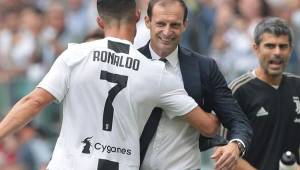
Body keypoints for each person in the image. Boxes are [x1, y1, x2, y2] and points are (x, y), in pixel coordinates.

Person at [0, 0, 220, 170]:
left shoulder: (75, 56)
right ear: (137, 16)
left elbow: (34, 101)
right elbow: (209, 127)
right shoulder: (155, 72)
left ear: (99, 22)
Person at [139, 0, 253, 170]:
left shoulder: (204, 67)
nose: (167, 31)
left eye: (175, 25)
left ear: (185, 25)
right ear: (147, 22)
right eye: (161, 24)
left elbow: (237, 120)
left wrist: (235, 145)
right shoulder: (132, 62)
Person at [229, 17, 300, 170]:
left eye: (283, 46)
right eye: (270, 46)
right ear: (256, 48)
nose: (277, 52)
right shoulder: (239, 90)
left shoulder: (298, 86)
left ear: (291, 50)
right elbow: (224, 153)